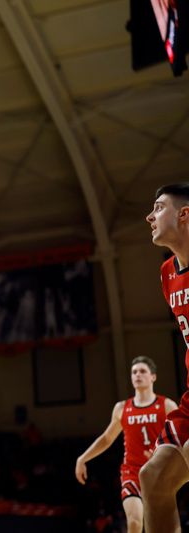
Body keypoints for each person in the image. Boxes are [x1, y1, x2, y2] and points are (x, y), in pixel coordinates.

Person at [75, 356, 176, 533]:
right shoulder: (122, 408)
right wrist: (83, 458)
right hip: (132, 472)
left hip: (159, 473)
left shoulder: (166, 405)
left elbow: (180, 435)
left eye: (142, 371)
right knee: (135, 521)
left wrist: (161, 452)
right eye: (134, 372)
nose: (137, 375)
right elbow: (107, 438)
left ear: (153, 377)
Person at [141, 183, 189, 530]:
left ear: (184, 215)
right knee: (154, 478)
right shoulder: (167, 274)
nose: (150, 216)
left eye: (158, 207)